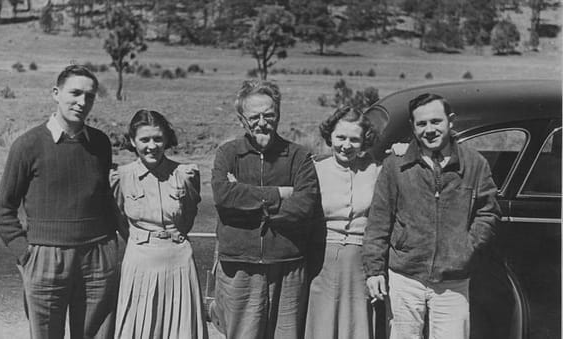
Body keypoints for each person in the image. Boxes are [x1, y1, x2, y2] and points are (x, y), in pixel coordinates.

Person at [0, 65, 121, 339]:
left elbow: (104, 199)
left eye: (90, 96)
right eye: (75, 93)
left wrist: (112, 248)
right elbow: (3, 209)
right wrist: (26, 254)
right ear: (56, 93)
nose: (82, 102)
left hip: (98, 258)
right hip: (46, 258)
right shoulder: (28, 145)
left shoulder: (100, 143)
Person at [363, 93, 501, 339]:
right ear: (413, 128)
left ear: (450, 121)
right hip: (405, 276)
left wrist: (465, 249)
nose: (429, 129)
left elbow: (488, 212)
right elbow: (379, 221)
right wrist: (374, 270)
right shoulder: (396, 165)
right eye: (421, 124)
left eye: (436, 121)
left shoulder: (474, 164)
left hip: (453, 280)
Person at [209, 79, 319, 338]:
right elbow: (224, 197)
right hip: (239, 265)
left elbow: (305, 205)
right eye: (254, 116)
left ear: (278, 115)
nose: (262, 122)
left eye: (269, 115)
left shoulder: (298, 156)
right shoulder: (227, 154)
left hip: (288, 263)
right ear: (241, 119)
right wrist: (281, 193)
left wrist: (248, 203)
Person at [111, 110, 208, 339]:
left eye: (158, 139)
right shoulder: (121, 177)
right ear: (133, 141)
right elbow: (119, 220)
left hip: (178, 260)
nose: (152, 146)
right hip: (140, 262)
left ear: (167, 140)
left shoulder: (185, 175)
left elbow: (188, 216)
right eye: (144, 140)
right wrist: (142, 241)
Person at [305, 106, 386, 339]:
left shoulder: (376, 169)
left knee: (356, 326)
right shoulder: (314, 169)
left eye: (354, 139)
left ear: (364, 141)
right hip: (321, 261)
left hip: (360, 263)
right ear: (330, 136)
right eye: (340, 137)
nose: (346, 145)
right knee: (321, 325)